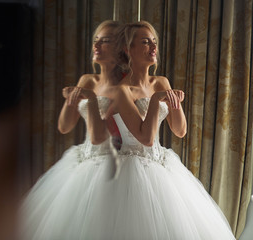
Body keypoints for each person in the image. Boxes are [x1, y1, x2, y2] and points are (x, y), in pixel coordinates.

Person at [98, 21, 235, 239]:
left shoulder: (162, 82)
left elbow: (180, 130)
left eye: (154, 42)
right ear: (128, 49)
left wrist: (175, 105)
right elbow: (146, 138)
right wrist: (155, 100)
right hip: (131, 169)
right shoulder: (121, 92)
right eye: (145, 42)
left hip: (162, 164)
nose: (153, 47)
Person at [18, 20, 124, 239]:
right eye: (96, 40)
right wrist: (71, 102)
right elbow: (64, 126)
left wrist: (93, 101)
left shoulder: (125, 86)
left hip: (113, 159)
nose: (97, 46)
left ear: (121, 48)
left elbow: (105, 134)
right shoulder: (87, 80)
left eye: (105, 41)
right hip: (84, 159)